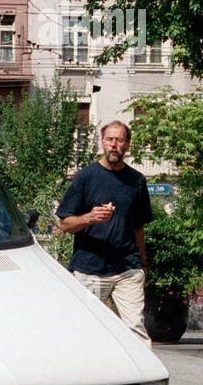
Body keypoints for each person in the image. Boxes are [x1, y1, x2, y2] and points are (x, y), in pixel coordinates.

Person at [56, 120, 153, 340]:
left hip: (127, 268)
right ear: (102, 142)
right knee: (87, 331)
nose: (114, 145)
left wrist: (143, 265)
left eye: (119, 140)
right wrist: (89, 217)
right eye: (109, 140)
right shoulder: (86, 177)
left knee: (135, 327)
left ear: (127, 145)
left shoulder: (136, 180)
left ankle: (143, 374)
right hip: (90, 268)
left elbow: (139, 227)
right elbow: (65, 224)